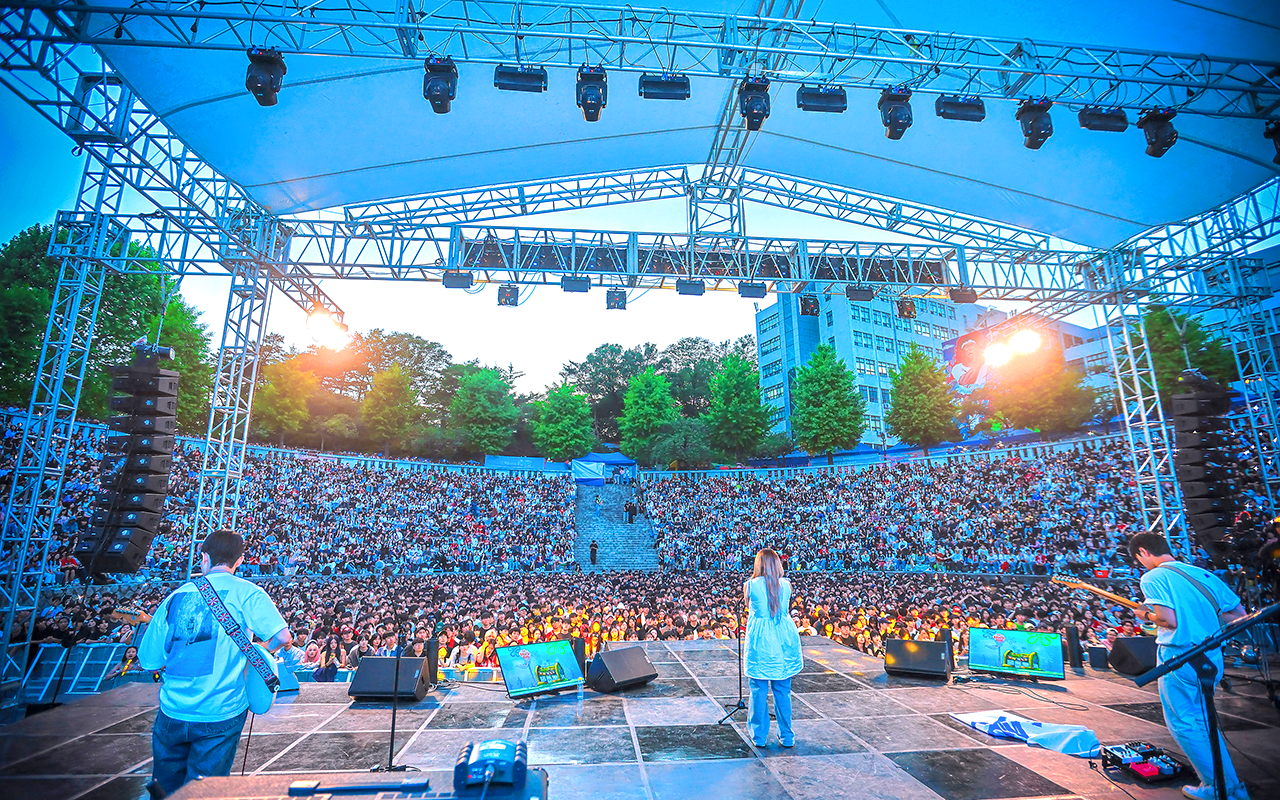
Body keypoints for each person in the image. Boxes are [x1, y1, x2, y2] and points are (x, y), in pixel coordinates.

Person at [138, 530, 293, 796]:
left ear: (204, 558)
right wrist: (259, 650)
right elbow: (282, 636)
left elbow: (148, 660)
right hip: (220, 709)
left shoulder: (175, 597)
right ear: (240, 560)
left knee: (164, 790)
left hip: (172, 710)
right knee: (205, 792)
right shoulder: (248, 592)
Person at [1128, 533, 1249, 800]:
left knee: (1184, 723)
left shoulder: (1154, 577)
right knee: (1204, 722)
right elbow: (1239, 616)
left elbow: (1168, 620)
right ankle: (1231, 786)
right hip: (1211, 658)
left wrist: (1144, 615)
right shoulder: (1202, 574)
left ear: (1143, 552)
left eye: (1139, 559)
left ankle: (1215, 788)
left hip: (1180, 657)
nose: (1141, 565)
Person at [744, 548, 803, 748]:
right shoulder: (786, 585)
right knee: (783, 690)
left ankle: (759, 736)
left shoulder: (750, 585)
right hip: (783, 636)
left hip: (761, 639)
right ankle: (787, 736)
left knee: (758, 690)